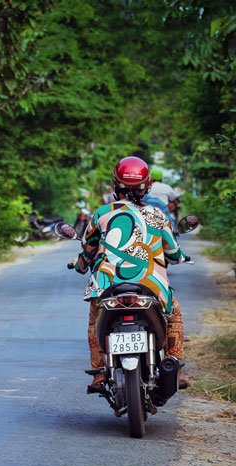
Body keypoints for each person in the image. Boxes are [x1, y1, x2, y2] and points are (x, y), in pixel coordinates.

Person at [73, 156, 190, 392]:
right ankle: (175, 366)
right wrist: (179, 258)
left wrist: (81, 264)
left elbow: (87, 250)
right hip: (151, 285)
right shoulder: (158, 216)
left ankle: (98, 372)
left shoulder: (102, 214)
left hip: (107, 285)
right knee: (174, 315)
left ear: (116, 185)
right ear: (147, 186)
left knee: (95, 321)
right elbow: (174, 253)